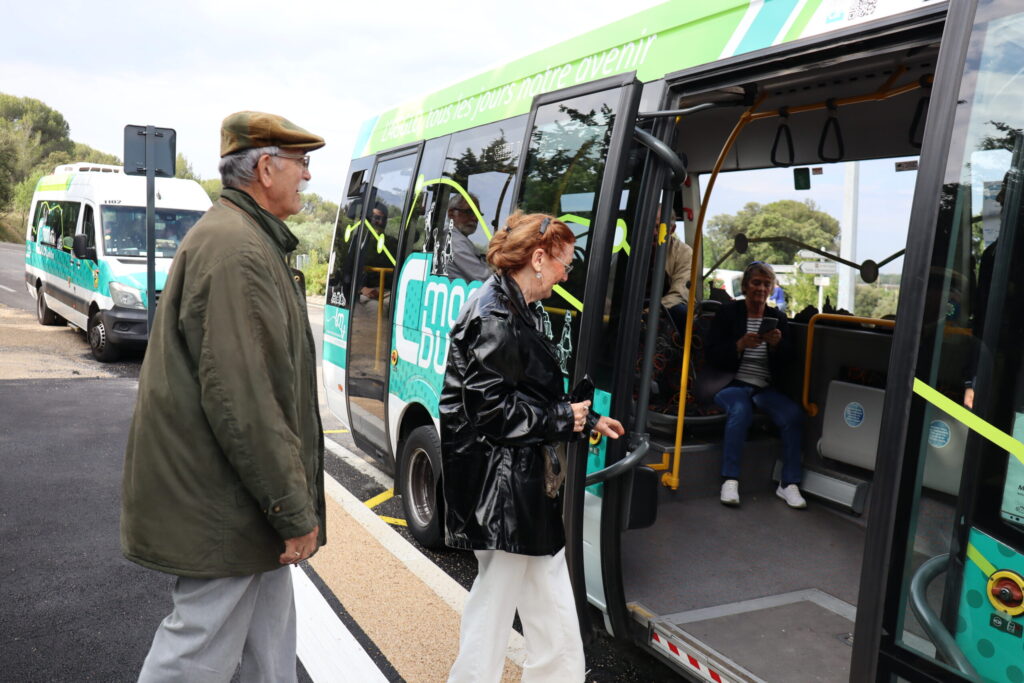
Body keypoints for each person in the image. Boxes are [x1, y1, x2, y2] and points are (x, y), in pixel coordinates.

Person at [121, 111, 327, 683]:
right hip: (225, 504)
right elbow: (248, 403)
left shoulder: (240, 238)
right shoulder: (238, 250)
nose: (307, 177)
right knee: (196, 656)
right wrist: (290, 510)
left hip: (239, 502)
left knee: (269, 646)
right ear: (265, 168)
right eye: (301, 164)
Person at [441, 211, 625, 682]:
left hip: (513, 483)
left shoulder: (509, 305)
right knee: (504, 606)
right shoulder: (497, 315)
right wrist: (566, 417)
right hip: (503, 489)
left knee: (543, 603)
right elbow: (494, 413)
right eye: (564, 262)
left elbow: (527, 394)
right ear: (538, 258)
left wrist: (589, 419)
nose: (567, 273)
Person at [707, 261, 807, 509]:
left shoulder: (777, 318)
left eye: (766, 284)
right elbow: (711, 356)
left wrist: (776, 345)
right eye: (756, 283)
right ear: (745, 286)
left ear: (772, 289)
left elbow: (788, 362)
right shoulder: (728, 314)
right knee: (740, 410)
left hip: (763, 387)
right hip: (730, 383)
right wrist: (739, 345)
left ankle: (789, 483)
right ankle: (730, 479)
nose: (761, 289)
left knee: (793, 415)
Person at [657, 210, 693, 333]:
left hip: (665, 307)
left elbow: (679, 293)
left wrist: (649, 312)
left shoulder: (684, 252)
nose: (653, 232)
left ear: (672, 229)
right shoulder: (631, 248)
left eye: (658, 228)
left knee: (681, 313)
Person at [443, 192, 492, 282]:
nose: (475, 218)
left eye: (478, 214)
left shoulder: (459, 238)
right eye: (469, 212)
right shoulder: (454, 241)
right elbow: (485, 277)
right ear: (451, 214)